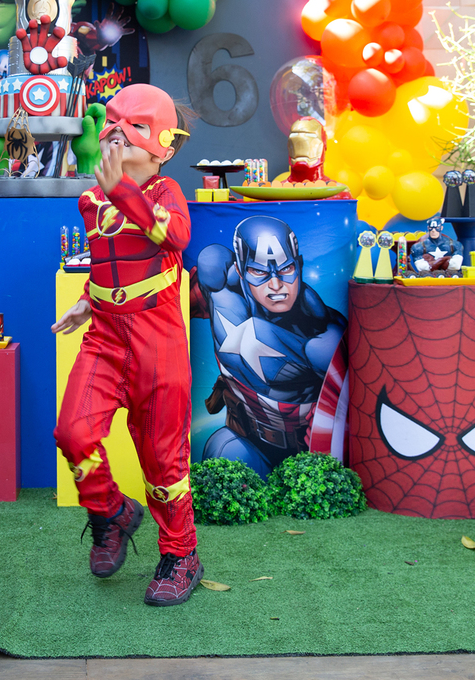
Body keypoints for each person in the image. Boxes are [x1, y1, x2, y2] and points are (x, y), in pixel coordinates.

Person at [51, 84, 203, 607]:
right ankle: (111, 512)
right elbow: (112, 263)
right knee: (73, 431)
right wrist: (89, 301)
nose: (117, 131)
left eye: (135, 125)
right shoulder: (90, 199)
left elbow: (174, 239)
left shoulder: (165, 194)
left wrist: (124, 192)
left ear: (164, 145)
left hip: (157, 342)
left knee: (164, 463)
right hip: (106, 338)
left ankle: (181, 552)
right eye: (112, 122)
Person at [194, 217, 347, 477]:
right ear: (241, 271)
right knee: (224, 454)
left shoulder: (322, 336)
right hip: (248, 441)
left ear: (298, 265)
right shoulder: (219, 287)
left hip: (305, 456)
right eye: (260, 272)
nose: (276, 285)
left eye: (286, 269)